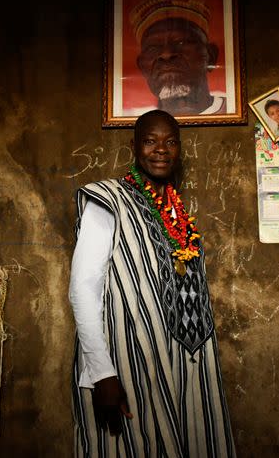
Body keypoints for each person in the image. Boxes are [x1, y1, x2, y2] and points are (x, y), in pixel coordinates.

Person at [69, 110, 236, 457]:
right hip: (128, 364)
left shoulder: (176, 212)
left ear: (179, 149)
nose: (161, 150)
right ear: (133, 146)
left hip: (181, 366)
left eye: (170, 141)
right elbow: (82, 289)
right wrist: (102, 374)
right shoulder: (109, 201)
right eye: (150, 140)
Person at [128, 0, 226, 116]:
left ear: (210, 56)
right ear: (142, 67)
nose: (166, 54)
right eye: (153, 48)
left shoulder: (232, 109)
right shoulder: (133, 119)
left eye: (181, 42)